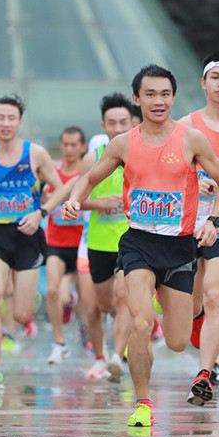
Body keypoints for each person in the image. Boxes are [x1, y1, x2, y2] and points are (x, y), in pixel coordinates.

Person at [64, 63, 219, 428]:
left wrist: (213, 221)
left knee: (177, 342)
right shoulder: (124, 143)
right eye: (150, 94)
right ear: (137, 98)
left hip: (179, 247)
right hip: (138, 242)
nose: (158, 101)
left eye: (165, 94)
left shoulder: (190, 139)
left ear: (173, 97)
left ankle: (179, 309)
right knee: (139, 323)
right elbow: (89, 178)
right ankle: (142, 403)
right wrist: (75, 199)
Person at [0, 94, 62, 393]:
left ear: (20, 122)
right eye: (0, 118)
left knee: (21, 315)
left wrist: (40, 212)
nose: (5, 123)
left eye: (11, 118)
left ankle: (28, 304)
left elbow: (60, 188)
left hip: (28, 235)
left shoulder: (36, 154)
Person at [178, 52, 219, 404]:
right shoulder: (186, 126)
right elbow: (169, 173)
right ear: (204, 83)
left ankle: (205, 374)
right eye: (216, 77)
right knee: (191, 303)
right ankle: (195, 321)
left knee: (215, 295)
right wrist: (197, 179)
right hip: (188, 222)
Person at [80, 93, 133, 380]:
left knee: (124, 298)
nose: (118, 128)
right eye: (112, 123)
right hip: (99, 242)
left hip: (132, 241)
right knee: (101, 306)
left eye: (123, 122)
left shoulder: (143, 154)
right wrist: (102, 203)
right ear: (103, 126)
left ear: (132, 122)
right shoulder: (92, 158)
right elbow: (77, 198)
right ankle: (101, 356)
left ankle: (116, 357)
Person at [44, 126, 89, 363]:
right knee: (53, 292)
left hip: (82, 243)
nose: (69, 149)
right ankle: (59, 342)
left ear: (83, 147)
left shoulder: (89, 173)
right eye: (65, 144)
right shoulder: (52, 173)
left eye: (74, 145)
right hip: (56, 243)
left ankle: (85, 330)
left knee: (86, 296)